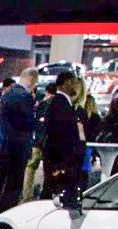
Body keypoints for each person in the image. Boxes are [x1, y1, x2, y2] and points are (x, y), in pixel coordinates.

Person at [0, 71, 35, 214]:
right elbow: (28, 124)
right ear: (31, 79)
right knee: (13, 187)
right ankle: (6, 215)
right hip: (18, 148)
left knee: (0, 183)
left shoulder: (6, 94)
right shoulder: (25, 96)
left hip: (3, 146)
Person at [42, 73, 88, 208]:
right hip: (62, 163)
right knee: (58, 199)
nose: (76, 86)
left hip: (61, 163)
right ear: (66, 83)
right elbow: (59, 136)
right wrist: (61, 165)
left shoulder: (61, 103)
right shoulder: (60, 104)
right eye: (74, 83)